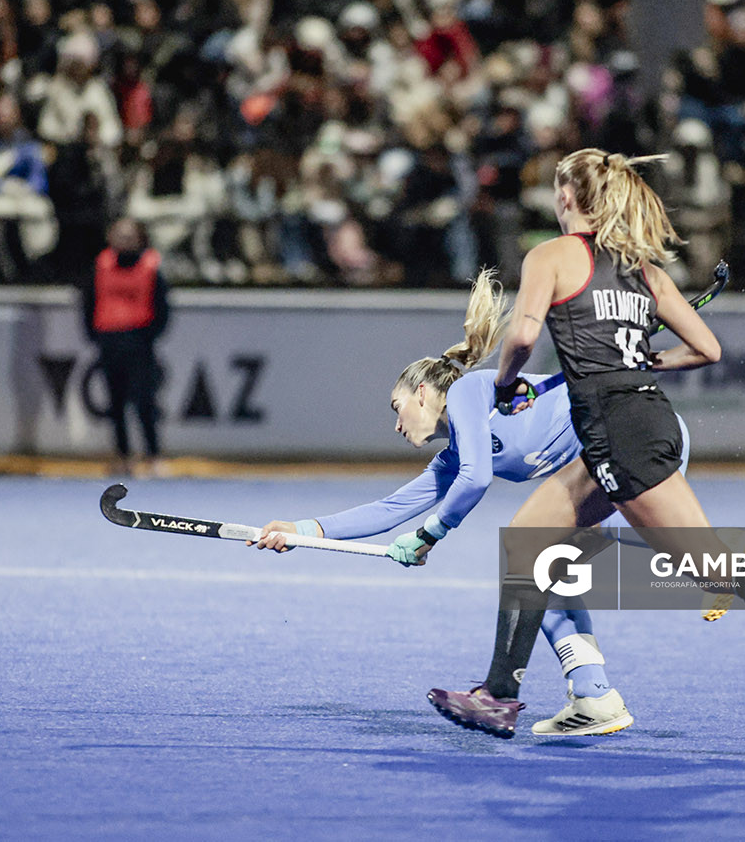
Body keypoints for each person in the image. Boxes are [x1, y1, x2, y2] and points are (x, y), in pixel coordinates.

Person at [426, 149, 745, 738]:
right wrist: (652, 359)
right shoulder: (643, 268)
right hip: (633, 421)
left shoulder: (549, 256)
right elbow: (708, 349)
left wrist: (502, 386)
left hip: (619, 434)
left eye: (556, 190)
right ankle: (498, 693)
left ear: (567, 196)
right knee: (528, 541)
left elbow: (523, 335)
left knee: (716, 570)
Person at [253, 269, 694, 736]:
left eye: (396, 406)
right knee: (551, 572)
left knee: (555, 560)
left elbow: (477, 478)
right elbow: (390, 509)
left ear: (422, 392)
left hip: (635, 444)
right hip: (601, 468)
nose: (397, 424)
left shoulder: (469, 391)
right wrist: (303, 530)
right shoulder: (455, 453)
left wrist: (430, 534)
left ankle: (716, 566)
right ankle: (595, 694)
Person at [83, 217, 170, 476]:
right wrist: (96, 336)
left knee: (145, 402)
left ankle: (153, 456)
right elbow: (88, 303)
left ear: (140, 238)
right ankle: (123, 456)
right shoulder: (101, 266)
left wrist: (148, 336)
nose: (124, 240)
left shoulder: (150, 267)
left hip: (139, 342)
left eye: (129, 235)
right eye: (119, 234)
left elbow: (163, 308)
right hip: (110, 341)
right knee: (116, 404)